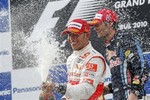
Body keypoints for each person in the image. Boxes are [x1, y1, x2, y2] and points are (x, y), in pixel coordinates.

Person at [40, 18, 107, 100]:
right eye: (70, 35)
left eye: (76, 35)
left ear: (87, 35)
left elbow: (85, 91)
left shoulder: (94, 58)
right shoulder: (71, 58)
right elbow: (72, 91)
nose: (71, 38)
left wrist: (56, 87)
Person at [89, 8, 146, 100]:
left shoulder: (125, 41)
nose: (95, 28)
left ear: (110, 23)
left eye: (98, 24)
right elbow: (122, 78)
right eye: (94, 25)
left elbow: (143, 70)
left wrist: (134, 93)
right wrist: (108, 88)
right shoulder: (107, 48)